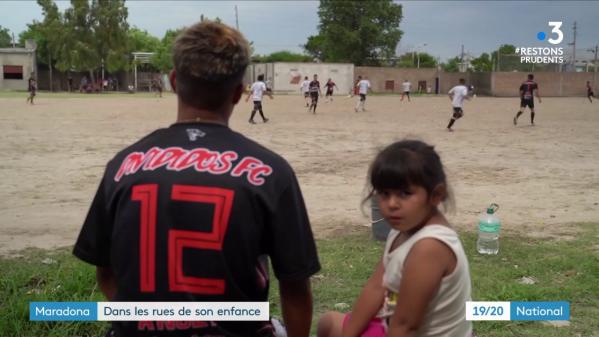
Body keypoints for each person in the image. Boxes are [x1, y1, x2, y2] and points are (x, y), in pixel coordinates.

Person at [73, 20, 320, 337]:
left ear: (174, 81)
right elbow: (296, 286)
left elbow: (106, 273)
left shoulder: (122, 165)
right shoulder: (272, 171)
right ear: (238, 92)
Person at [317, 140, 472, 337]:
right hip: (391, 324)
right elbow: (376, 287)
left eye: (405, 194)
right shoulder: (402, 229)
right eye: (384, 193)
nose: (391, 204)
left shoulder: (429, 247)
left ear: (436, 195)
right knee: (329, 323)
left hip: (405, 330)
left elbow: (406, 326)